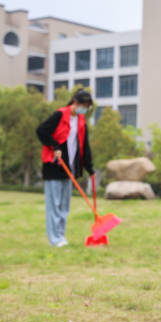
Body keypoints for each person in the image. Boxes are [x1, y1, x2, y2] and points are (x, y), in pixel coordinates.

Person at [36, 89, 95, 247]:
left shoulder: (81, 121)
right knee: (54, 205)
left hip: (70, 169)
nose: (85, 109)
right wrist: (54, 146)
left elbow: (85, 146)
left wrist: (90, 169)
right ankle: (54, 239)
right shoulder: (60, 115)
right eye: (84, 106)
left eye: (88, 107)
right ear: (75, 102)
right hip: (54, 166)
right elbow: (41, 131)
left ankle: (61, 237)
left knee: (64, 205)